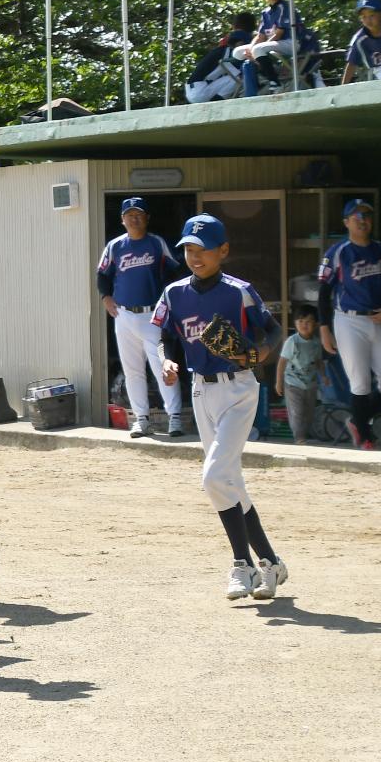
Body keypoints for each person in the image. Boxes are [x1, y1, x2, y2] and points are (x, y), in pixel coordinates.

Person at [155, 214, 288, 600]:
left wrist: (260, 352)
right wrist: (166, 359)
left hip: (239, 389)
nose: (194, 256)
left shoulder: (239, 291)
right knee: (230, 483)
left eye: (203, 249)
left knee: (214, 478)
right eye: (189, 250)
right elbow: (166, 337)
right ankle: (271, 563)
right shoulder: (174, 293)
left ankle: (241, 565)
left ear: (223, 251)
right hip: (201, 391)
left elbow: (274, 329)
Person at [316, 199, 381, 451]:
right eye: (356, 217)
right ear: (346, 222)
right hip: (349, 320)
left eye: (366, 216)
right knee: (360, 382)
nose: (362, 221)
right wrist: (324, 328)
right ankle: (365, 437)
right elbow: (324, 292)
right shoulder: (338, 252)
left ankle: (357, 420)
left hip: (380, 319)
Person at [96, 196, 186, 438]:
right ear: (122, 220)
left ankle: (175, 417)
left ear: (146, 218)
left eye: (139, 215)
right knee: (132, 370)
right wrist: (106, 297)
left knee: (162, 367)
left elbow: (175, 271)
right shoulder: (115, 246)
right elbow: (103, 275)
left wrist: (169, 304)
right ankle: (141, 419)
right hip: (124, 315)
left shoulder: (156, 243)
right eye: (129, 215)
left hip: (152, 315)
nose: (134, 219)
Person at [231, 0, 314, 96]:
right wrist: (251, 48)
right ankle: (264, 77)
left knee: (259, 49)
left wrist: (256, 50)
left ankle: (275, 82)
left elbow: (279, 33)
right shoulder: (266, 12)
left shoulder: (285, 7)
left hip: (290, 43)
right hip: (272, 46)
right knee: (237, 52)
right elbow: (260, 36)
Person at [276, 305, 325, 446]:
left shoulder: (316, 342)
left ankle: (305, 435)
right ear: (295, 323)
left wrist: (324, 376)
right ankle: (299, 438)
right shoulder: (292, 342)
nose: (304, 325)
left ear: (316, 324)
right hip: (292, 384)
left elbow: (319, 361)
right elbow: (281, 363)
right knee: (296, 412)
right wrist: (278, 383)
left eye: (309, 321)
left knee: (309, 413)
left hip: (311, 384)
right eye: (300, 321)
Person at [184, 13, 257, 102]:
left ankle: (216, 101)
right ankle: (216, 102)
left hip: (192, 89)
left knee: (236, 74)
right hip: (200, 90)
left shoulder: (226, 42)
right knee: (240, 76)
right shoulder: (239, 35)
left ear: (234, 25)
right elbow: (240, 48)